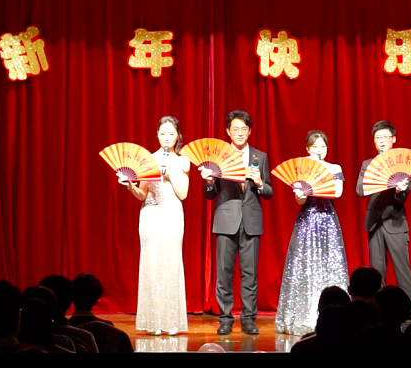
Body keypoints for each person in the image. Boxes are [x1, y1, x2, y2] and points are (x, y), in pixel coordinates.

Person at [201, 110, 273, 335]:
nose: (240, 133)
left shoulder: (260, 157)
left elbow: (268, 192)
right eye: (235, 129)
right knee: (224, 272)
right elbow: (210, 195)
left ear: (249, 131)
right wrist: (209, 182)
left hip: (251, 220)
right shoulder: (219, 157)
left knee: (250, 274)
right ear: (228, 131)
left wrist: (259, 182)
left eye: (244, 129)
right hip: (225, 220)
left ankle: (248, 319)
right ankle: (225, 319)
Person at [119, 115, 189, 336]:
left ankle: (172, 322)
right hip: (151, 215)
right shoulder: (148, 159)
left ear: (177, 136)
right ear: (157, 135)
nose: (167, 137)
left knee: (171, 264)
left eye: (171, 133)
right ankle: (153, 322)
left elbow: (183, 194)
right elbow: (142, 194)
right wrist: (131, 186)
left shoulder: (183, 161)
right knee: (152, 264)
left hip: (173, 215)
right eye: (163, 133)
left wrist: (170, 174)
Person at [275, 130, 349, 336]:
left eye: (322, 146)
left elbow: (337, 193)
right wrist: (301, 194)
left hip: (327, 219)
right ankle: (303, 315)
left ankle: (331, 316)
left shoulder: (334, 168)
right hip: (307, 219)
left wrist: (314, 187)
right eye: (315, 146)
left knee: (329, 263)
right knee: (304, 265)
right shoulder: (301, 168)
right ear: (308, 149)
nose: (319, 150)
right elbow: (299, 200)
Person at [356, 120, 411, 314]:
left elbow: (402, 197)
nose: (381, 141)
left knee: (402, 272)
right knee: (376, 274)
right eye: (378, 137)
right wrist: (377, 180)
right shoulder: (368, 164)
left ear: (393, 139)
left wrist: (399, 191)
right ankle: (377, 313)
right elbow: (360, 190)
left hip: (395, 223)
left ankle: (407, 316)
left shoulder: (403, 163)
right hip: (374, 223)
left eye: (385, 137)